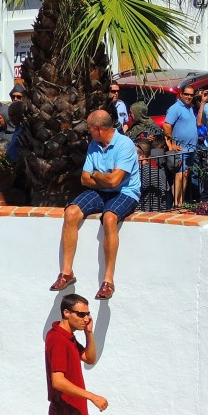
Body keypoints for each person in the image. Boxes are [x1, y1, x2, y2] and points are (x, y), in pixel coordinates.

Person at [50, 110, 139, 301]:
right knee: (71, 212)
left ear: (98, 129)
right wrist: (104, 179)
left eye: (90, 128)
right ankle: (66, 273)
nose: (88, 132)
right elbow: (84, 179)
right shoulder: (94, 145)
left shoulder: (125, 145)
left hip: (125, 193)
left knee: (109, 218)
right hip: (101, 192)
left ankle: (108, 281)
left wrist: (98, 175)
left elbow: (115, 182)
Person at [45, 293, 106, 415]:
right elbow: (58, 381)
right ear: (66, 312)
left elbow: (89, 358)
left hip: (79, 411)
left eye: (87, 314)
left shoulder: (68, 337)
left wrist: (89, 333)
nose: (86, 318)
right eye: (81, 314)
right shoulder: (58, 340)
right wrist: (91, 396)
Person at [164, 85, 198, 208]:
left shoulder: (189, 108)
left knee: (185, 174)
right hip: (181, 149)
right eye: (186, 94)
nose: (189, 97)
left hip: (190, 148)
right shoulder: (175, 108)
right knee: (179, 175)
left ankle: (181, 202)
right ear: (181, 94)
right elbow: (167, 125)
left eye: (191, 95)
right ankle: (176, 204)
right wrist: (172, 143)